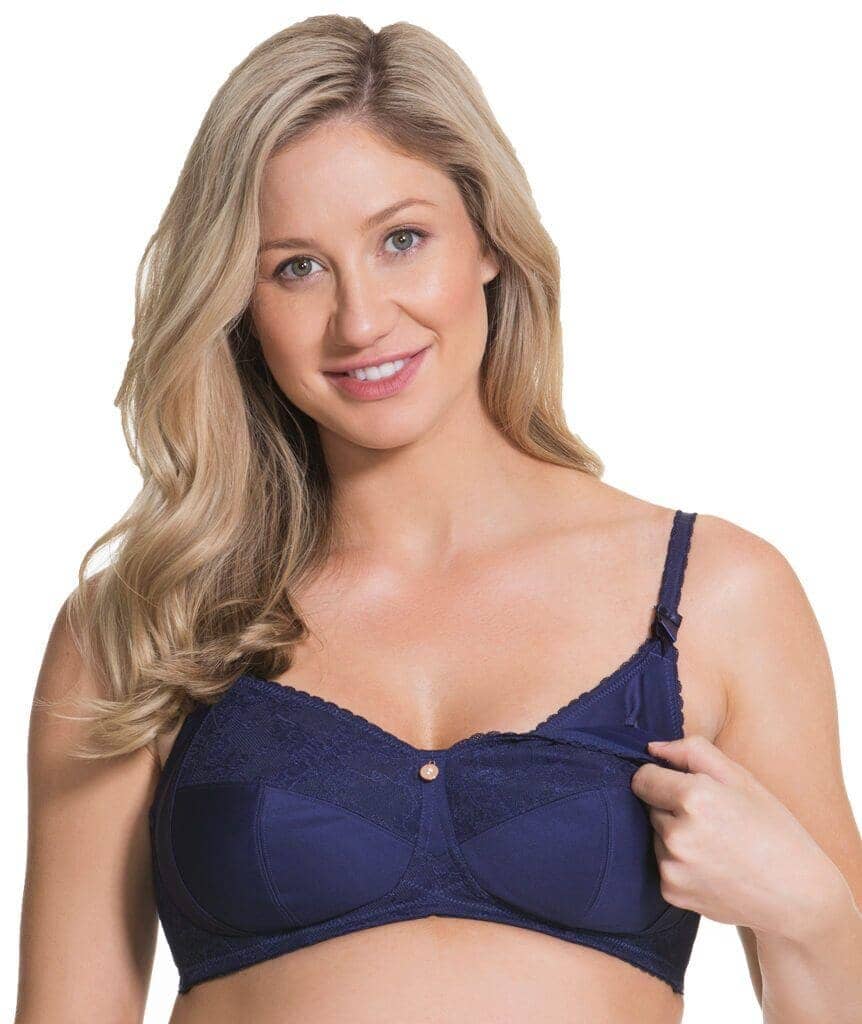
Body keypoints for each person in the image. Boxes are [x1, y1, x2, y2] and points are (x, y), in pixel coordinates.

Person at [15, 15, 862, 1024]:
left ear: (489, 239)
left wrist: (809, 914)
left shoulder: (713, 596)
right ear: (237, 303)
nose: (361, 320)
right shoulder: (145, 627)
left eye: (401, 240)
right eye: (296, 267)